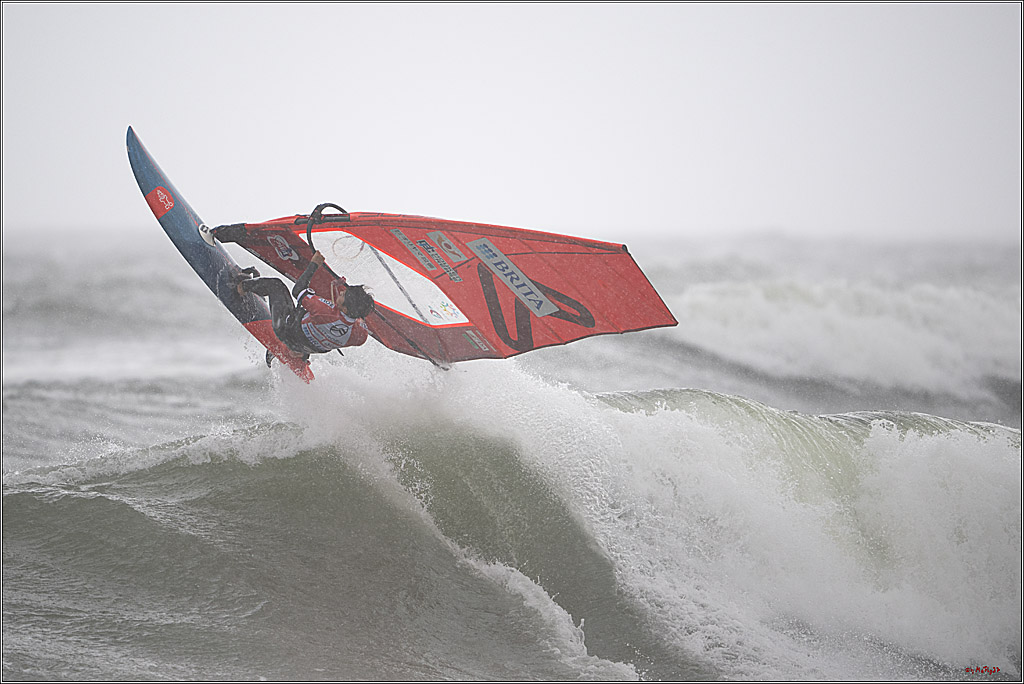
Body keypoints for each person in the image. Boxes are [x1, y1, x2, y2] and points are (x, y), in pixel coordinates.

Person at [228, 245, 375, 360]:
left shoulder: (324, 310)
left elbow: (298, 291)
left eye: (344, 295)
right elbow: (350, 321)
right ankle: (297, 353)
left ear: (346, 309)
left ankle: (241, 287)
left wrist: (314, 264)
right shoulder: (360, 336)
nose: (342, 292)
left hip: (286, 331)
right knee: (315, 325)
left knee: (276, 285)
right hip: (308, 348)